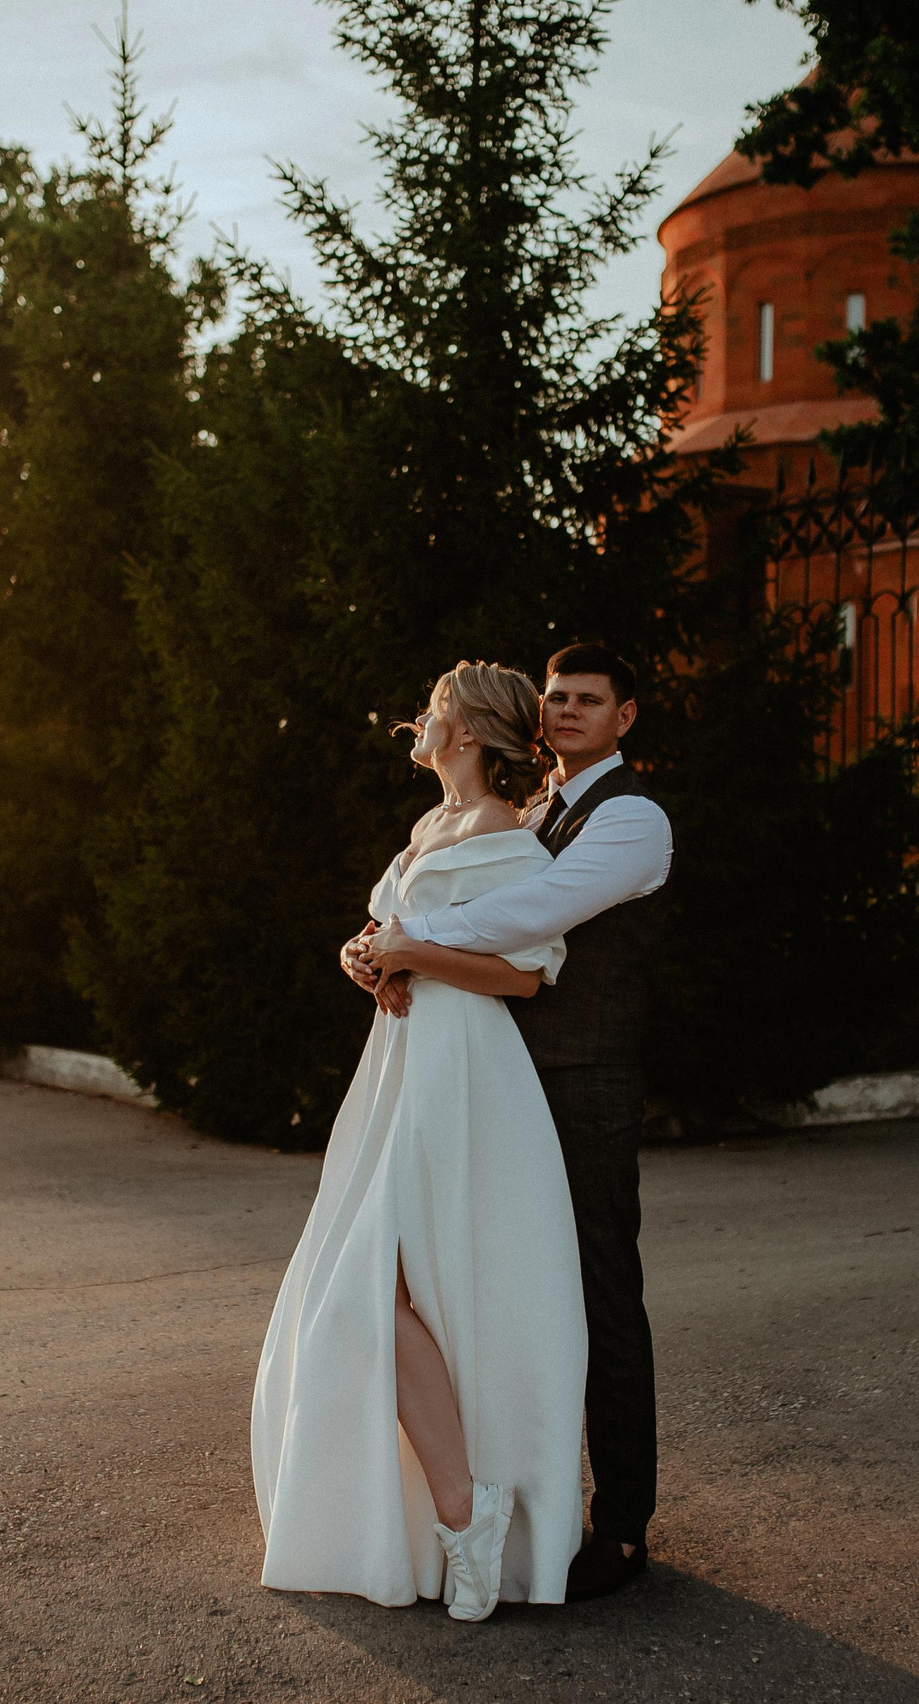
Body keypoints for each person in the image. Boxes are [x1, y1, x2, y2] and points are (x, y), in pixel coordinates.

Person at [251, 662, 588, 1621]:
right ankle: (458, 1511)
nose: (421, 717)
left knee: (380, 1282)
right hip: (397, 1062)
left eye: (437, 707)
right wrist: (364, 955)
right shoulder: (428, 828)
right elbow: (391, 934)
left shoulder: (504, 836)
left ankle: (467, 1515)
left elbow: (525, 973)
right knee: (368, 1284)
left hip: (463, 1072)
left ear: (469, 731)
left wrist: (410, 952)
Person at [354, 641, 672, 1603]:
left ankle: (622, 1526)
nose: (566, 711)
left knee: (601, 1294)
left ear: (625, 717)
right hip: (493, 1080)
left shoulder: (633, 819)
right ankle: (520, 1502)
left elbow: (530, 915)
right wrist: (375, 951)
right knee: (493, 1291)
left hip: (585, 1085)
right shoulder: (527, 815)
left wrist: (406, 943)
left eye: (589, 700)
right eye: (556, 697)